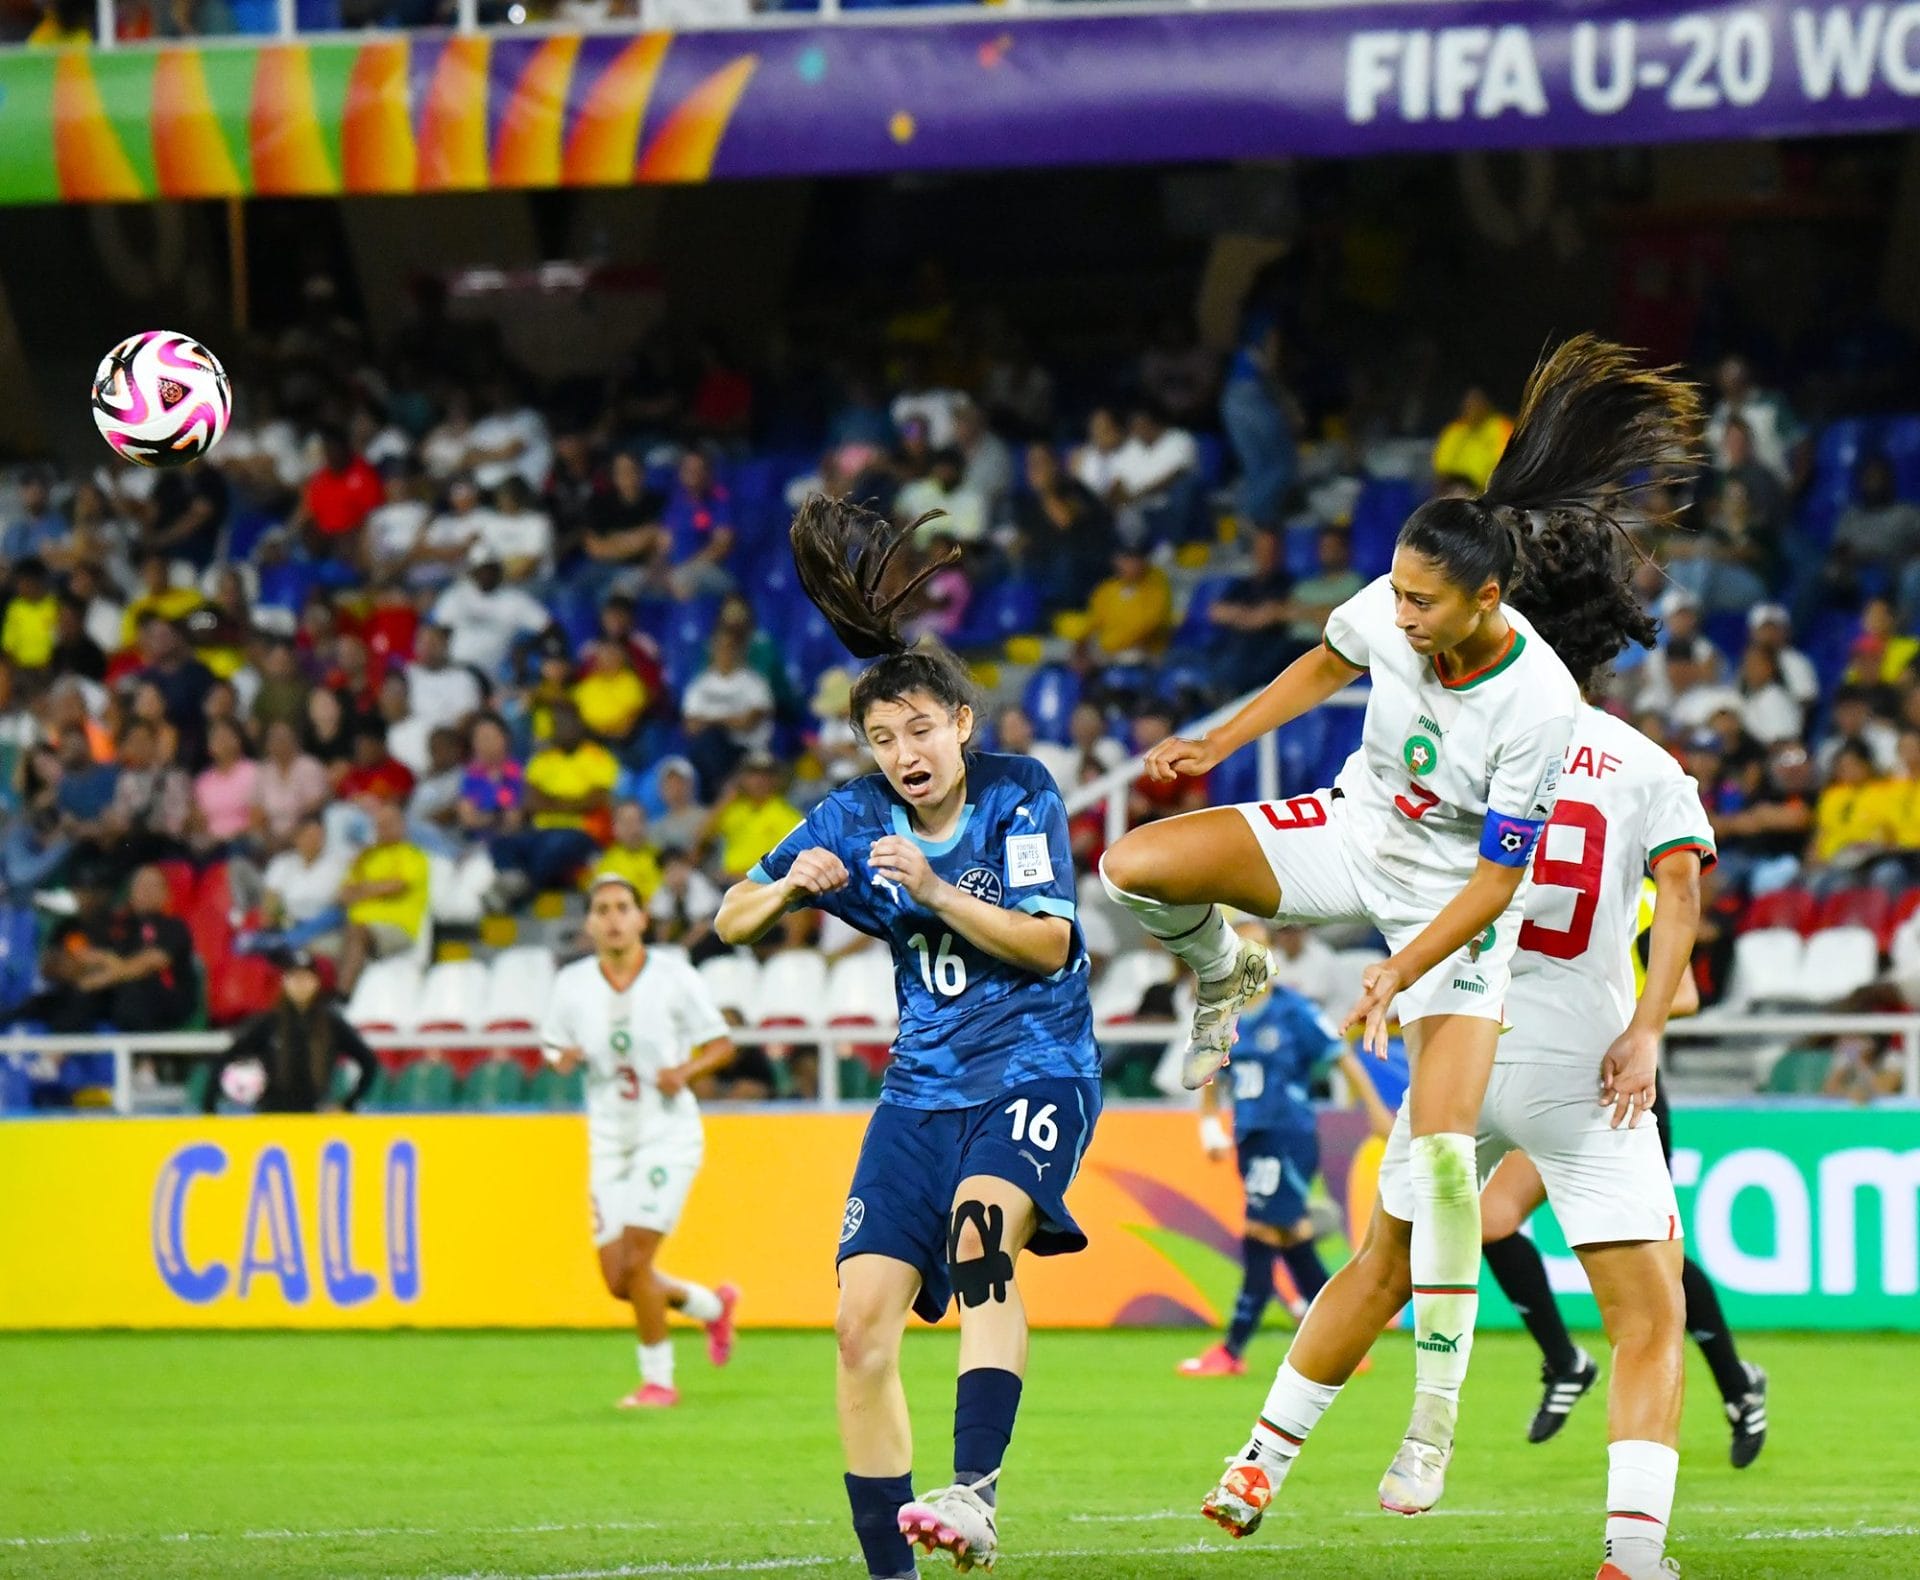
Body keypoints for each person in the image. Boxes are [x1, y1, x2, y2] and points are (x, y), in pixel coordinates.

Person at [1091, 336, 1695, 1522]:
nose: (1398, 613)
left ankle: (1425, 1431)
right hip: (1358, 827)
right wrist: (1214, 743)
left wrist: (1396, 969)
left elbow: (1494, 880)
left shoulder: (1540, 707)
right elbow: (1327, 658)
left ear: (1489, 597)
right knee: (1134, 863)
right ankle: (1229, 967)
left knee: (1434, 1173)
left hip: (1455, 909)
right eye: (1399, 591)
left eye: (1421, 600)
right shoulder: (1401, 603)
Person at [714, 499, 1103, 1577]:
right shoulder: (847, 815)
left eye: (921, 729)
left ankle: (973, 1493)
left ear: (963, 725)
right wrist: (790, 881)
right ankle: (894, 1571)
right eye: (882, 738)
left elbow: (1047, 941)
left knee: (985, 1241)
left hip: (1037, 1066)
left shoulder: (1021, 793)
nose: (905, 751)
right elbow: (725, 917)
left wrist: (932, 887)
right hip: (918, 1091)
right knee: (857, 1327)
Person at [1359, 686, 1712, 1578]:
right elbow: (1682, 908)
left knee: (1387, 1265)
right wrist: (1647, 1031)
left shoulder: (1458, 754)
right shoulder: (1646, 769)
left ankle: (1271, 1457)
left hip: (1469, 1049)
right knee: (1648, 1313)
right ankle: (1632, 1551)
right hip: (1588, 1065)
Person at [1482, 879, 1770, 1474]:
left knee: (1651, 1258)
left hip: (1623, 1093)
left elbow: (1684, 995)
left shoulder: (1636, 893)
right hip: (1554, 1089)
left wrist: (1616, 1013)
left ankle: (1739, 1384)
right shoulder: (1536, 881)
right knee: (1489, 1222)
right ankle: (1565, 1363)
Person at [540, 872, 741, 1408]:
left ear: (641, 918)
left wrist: (686, 1070)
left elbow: (721, 1045)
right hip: (608, 1140)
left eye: (622, 907)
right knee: (617, 1279)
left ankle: (659, 1381)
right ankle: (712, 1308)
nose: (612, 918)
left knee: (635, 1263)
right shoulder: (573, 984)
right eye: (601, 909)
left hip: (667, 1136)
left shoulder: (673, 976)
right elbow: (553, 1045)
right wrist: (561, 1060)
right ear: (589, 922)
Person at [1179, 920, 1394, 1378]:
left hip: (1287, 1135)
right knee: (1292, 1237)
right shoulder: (1225, 1014)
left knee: (1261, 1232)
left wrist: (1375, 1112)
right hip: (1251, 1135)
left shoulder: (1293, 1011)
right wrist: (1207, 1126)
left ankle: (1231, 1351)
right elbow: (1207, 1071)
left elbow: (1342, 1058)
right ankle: (1345, 1342)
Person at [203, 949, 379, 1113]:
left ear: (316, 981)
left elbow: (368, 1061)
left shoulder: (331, 1024)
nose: (300, 984)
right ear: (285, 981)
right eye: (294, 977)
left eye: (305, 977)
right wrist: (209, 1107)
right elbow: (227, 1057)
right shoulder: (268, 1023)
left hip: (315, 1117)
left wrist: (348, 1104)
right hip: (272, 1117)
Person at [336, 799, 429, 995]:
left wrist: (361, 890)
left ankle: (342, 997)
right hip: (354, 927)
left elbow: (396, 886)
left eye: (389, 824)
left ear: (402, 825)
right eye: (379, 825)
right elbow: (342, 895)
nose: (383, 829)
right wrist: (373, 889)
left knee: (357, 932)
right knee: (311, 950)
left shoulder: (412, 855)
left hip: (397, 929)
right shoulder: (365, 857)